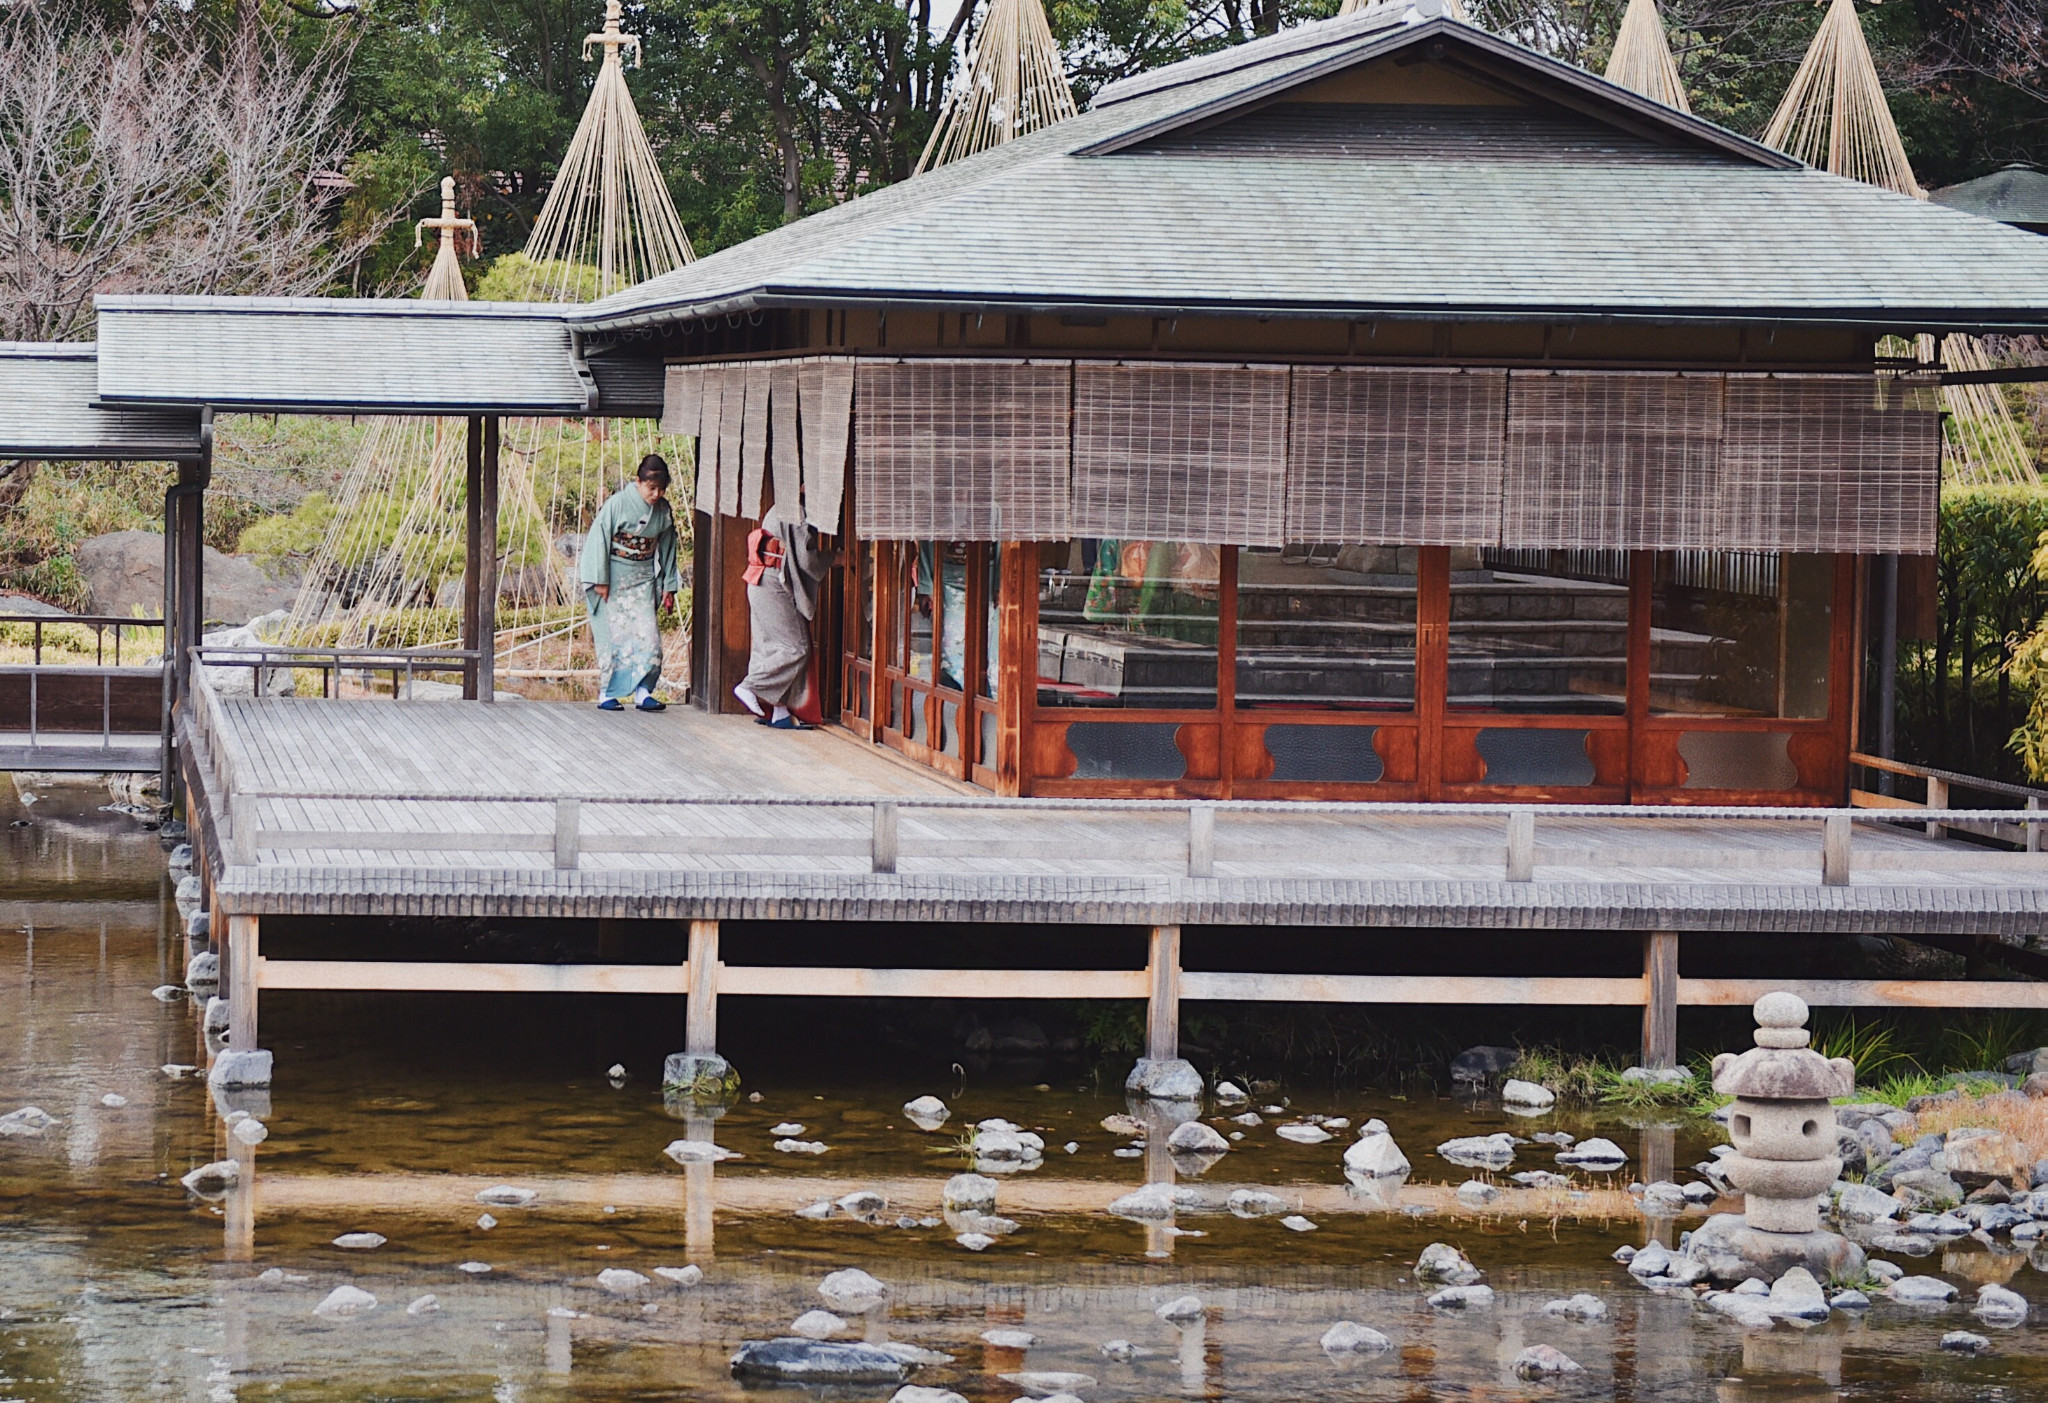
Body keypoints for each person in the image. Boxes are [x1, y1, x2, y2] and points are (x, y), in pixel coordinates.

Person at [580, 455, 681, 711]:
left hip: (642, 578)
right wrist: (600, 579)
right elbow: (599, 538)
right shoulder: (617, 504)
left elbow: (668, 548)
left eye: (661, 489)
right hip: (613, 577)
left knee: (649, 636)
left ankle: (644, 691)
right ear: (638, 482)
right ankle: (606, 693)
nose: (656, 494)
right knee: (613, 637)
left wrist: (669, 583)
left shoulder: (663, 511)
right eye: (651, 488)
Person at [734, 498, 827, 729]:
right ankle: (751, 686)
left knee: (769, 647)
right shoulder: (795, 510)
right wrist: (834, 558)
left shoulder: (778, 506)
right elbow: (806, 559)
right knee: (796, 648)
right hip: (774, 581)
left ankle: (780, 712)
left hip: (759, 579)